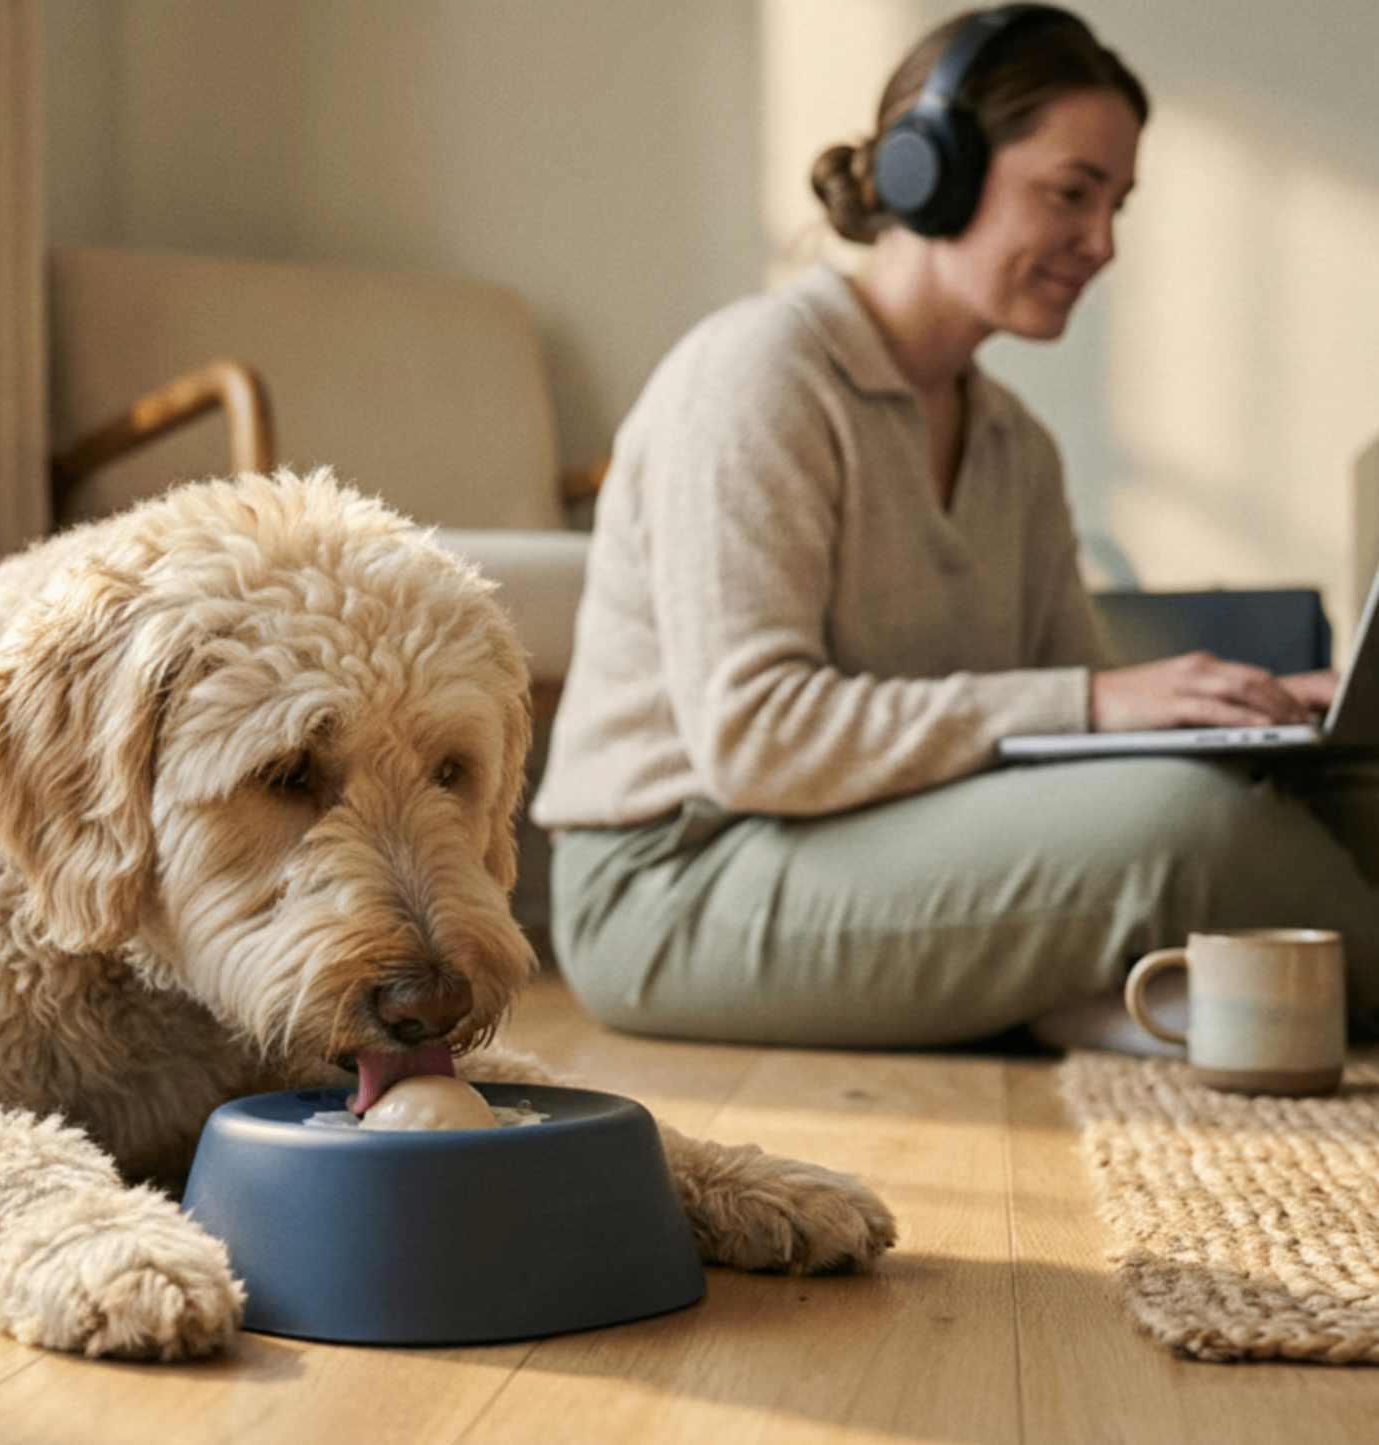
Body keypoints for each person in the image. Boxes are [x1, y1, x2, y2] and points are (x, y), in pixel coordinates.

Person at [531, 4, 1379, 1049]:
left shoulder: (1014, 445)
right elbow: (754, 740)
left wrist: (1243, 721)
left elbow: (1075, 726)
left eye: (1115, 204)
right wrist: (1095, 699)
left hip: (867, 842)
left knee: (1331, 788)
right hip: (675, 880)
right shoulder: (758, 375)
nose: (1102, 242)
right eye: (1069, 194)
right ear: (929, 171)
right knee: (1180, 833)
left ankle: (1122, 994)